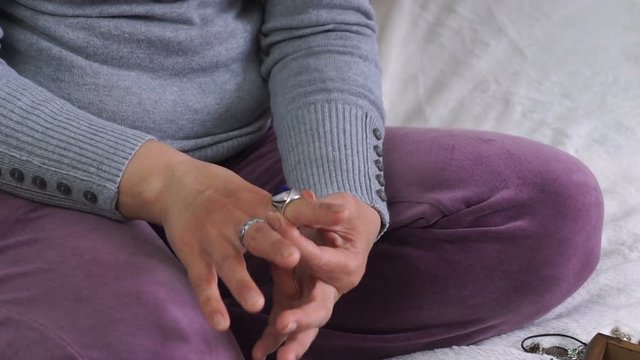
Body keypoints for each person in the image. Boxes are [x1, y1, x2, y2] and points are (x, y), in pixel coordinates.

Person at [0, 1, 603, 359]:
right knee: (161, 340)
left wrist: (339, 205)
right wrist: (166, 183)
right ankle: (143, 311)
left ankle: (181, 309)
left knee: (549, 211)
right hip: (56, 182)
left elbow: (318, 22)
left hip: (253, 165)